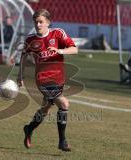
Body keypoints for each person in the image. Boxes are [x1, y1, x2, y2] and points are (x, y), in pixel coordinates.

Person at [17, 9, 78, 152]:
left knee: (45, 109)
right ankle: (62, 141)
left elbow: (74, 49)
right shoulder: (30, 39)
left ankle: (29, 128)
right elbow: (23, 57)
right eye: (36, 22)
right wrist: (20, 75)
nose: (38, 25)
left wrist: (60, 51)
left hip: (59, 78)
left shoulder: (58, 33)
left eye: (41, 22)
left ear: (48, 22)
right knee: (64, 103)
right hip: (43, 79)